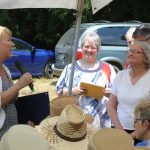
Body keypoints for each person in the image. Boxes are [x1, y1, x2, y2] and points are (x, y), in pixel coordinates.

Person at [56, 32, 116, 128]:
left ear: (98, 49)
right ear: (81, 47)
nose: (89, 50)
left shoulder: (107, 68)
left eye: (93, 48)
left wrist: (108, 93)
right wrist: (72, 91)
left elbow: (116, 94)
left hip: (100, 123)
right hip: (74, 121)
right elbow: (59, 92)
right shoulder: (70, 68)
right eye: (86, 46)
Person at [107, 40, 150, 144]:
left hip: (144, 134)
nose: (130, 53)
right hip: (118, 129)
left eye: (135, 51)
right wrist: (120, 131)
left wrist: (133, 135)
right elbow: (111, 105)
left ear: (146, 57)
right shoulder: (121, 75)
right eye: (130, 50)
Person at [0, 25, 33, 139]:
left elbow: (11, 101)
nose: (13, 44)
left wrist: (22, 125)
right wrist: (19, 84)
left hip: (11, 133)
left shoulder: (5, 69)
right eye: (9, 40)